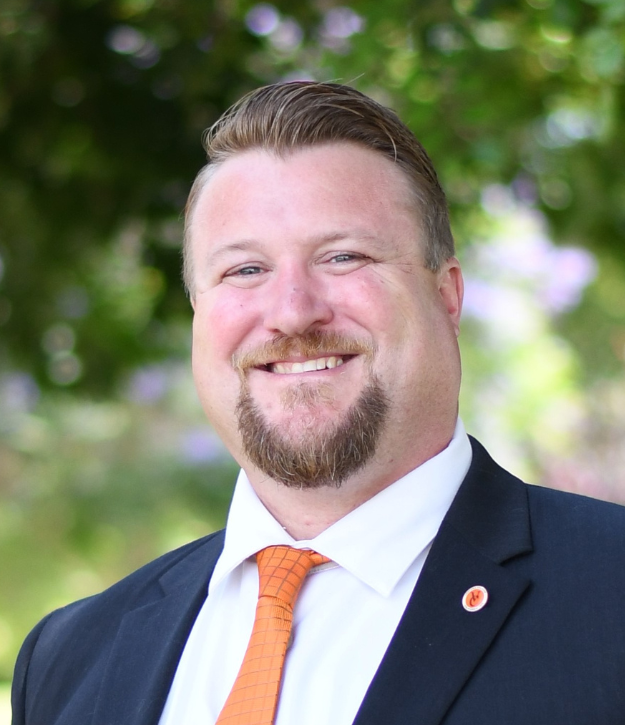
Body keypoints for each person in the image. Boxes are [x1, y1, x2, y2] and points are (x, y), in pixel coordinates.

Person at [11, 82, 625, 725]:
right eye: (245, 270)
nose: (292, 311)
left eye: (343, 256)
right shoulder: (68, 659)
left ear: (447, 296)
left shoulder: (608, 595)